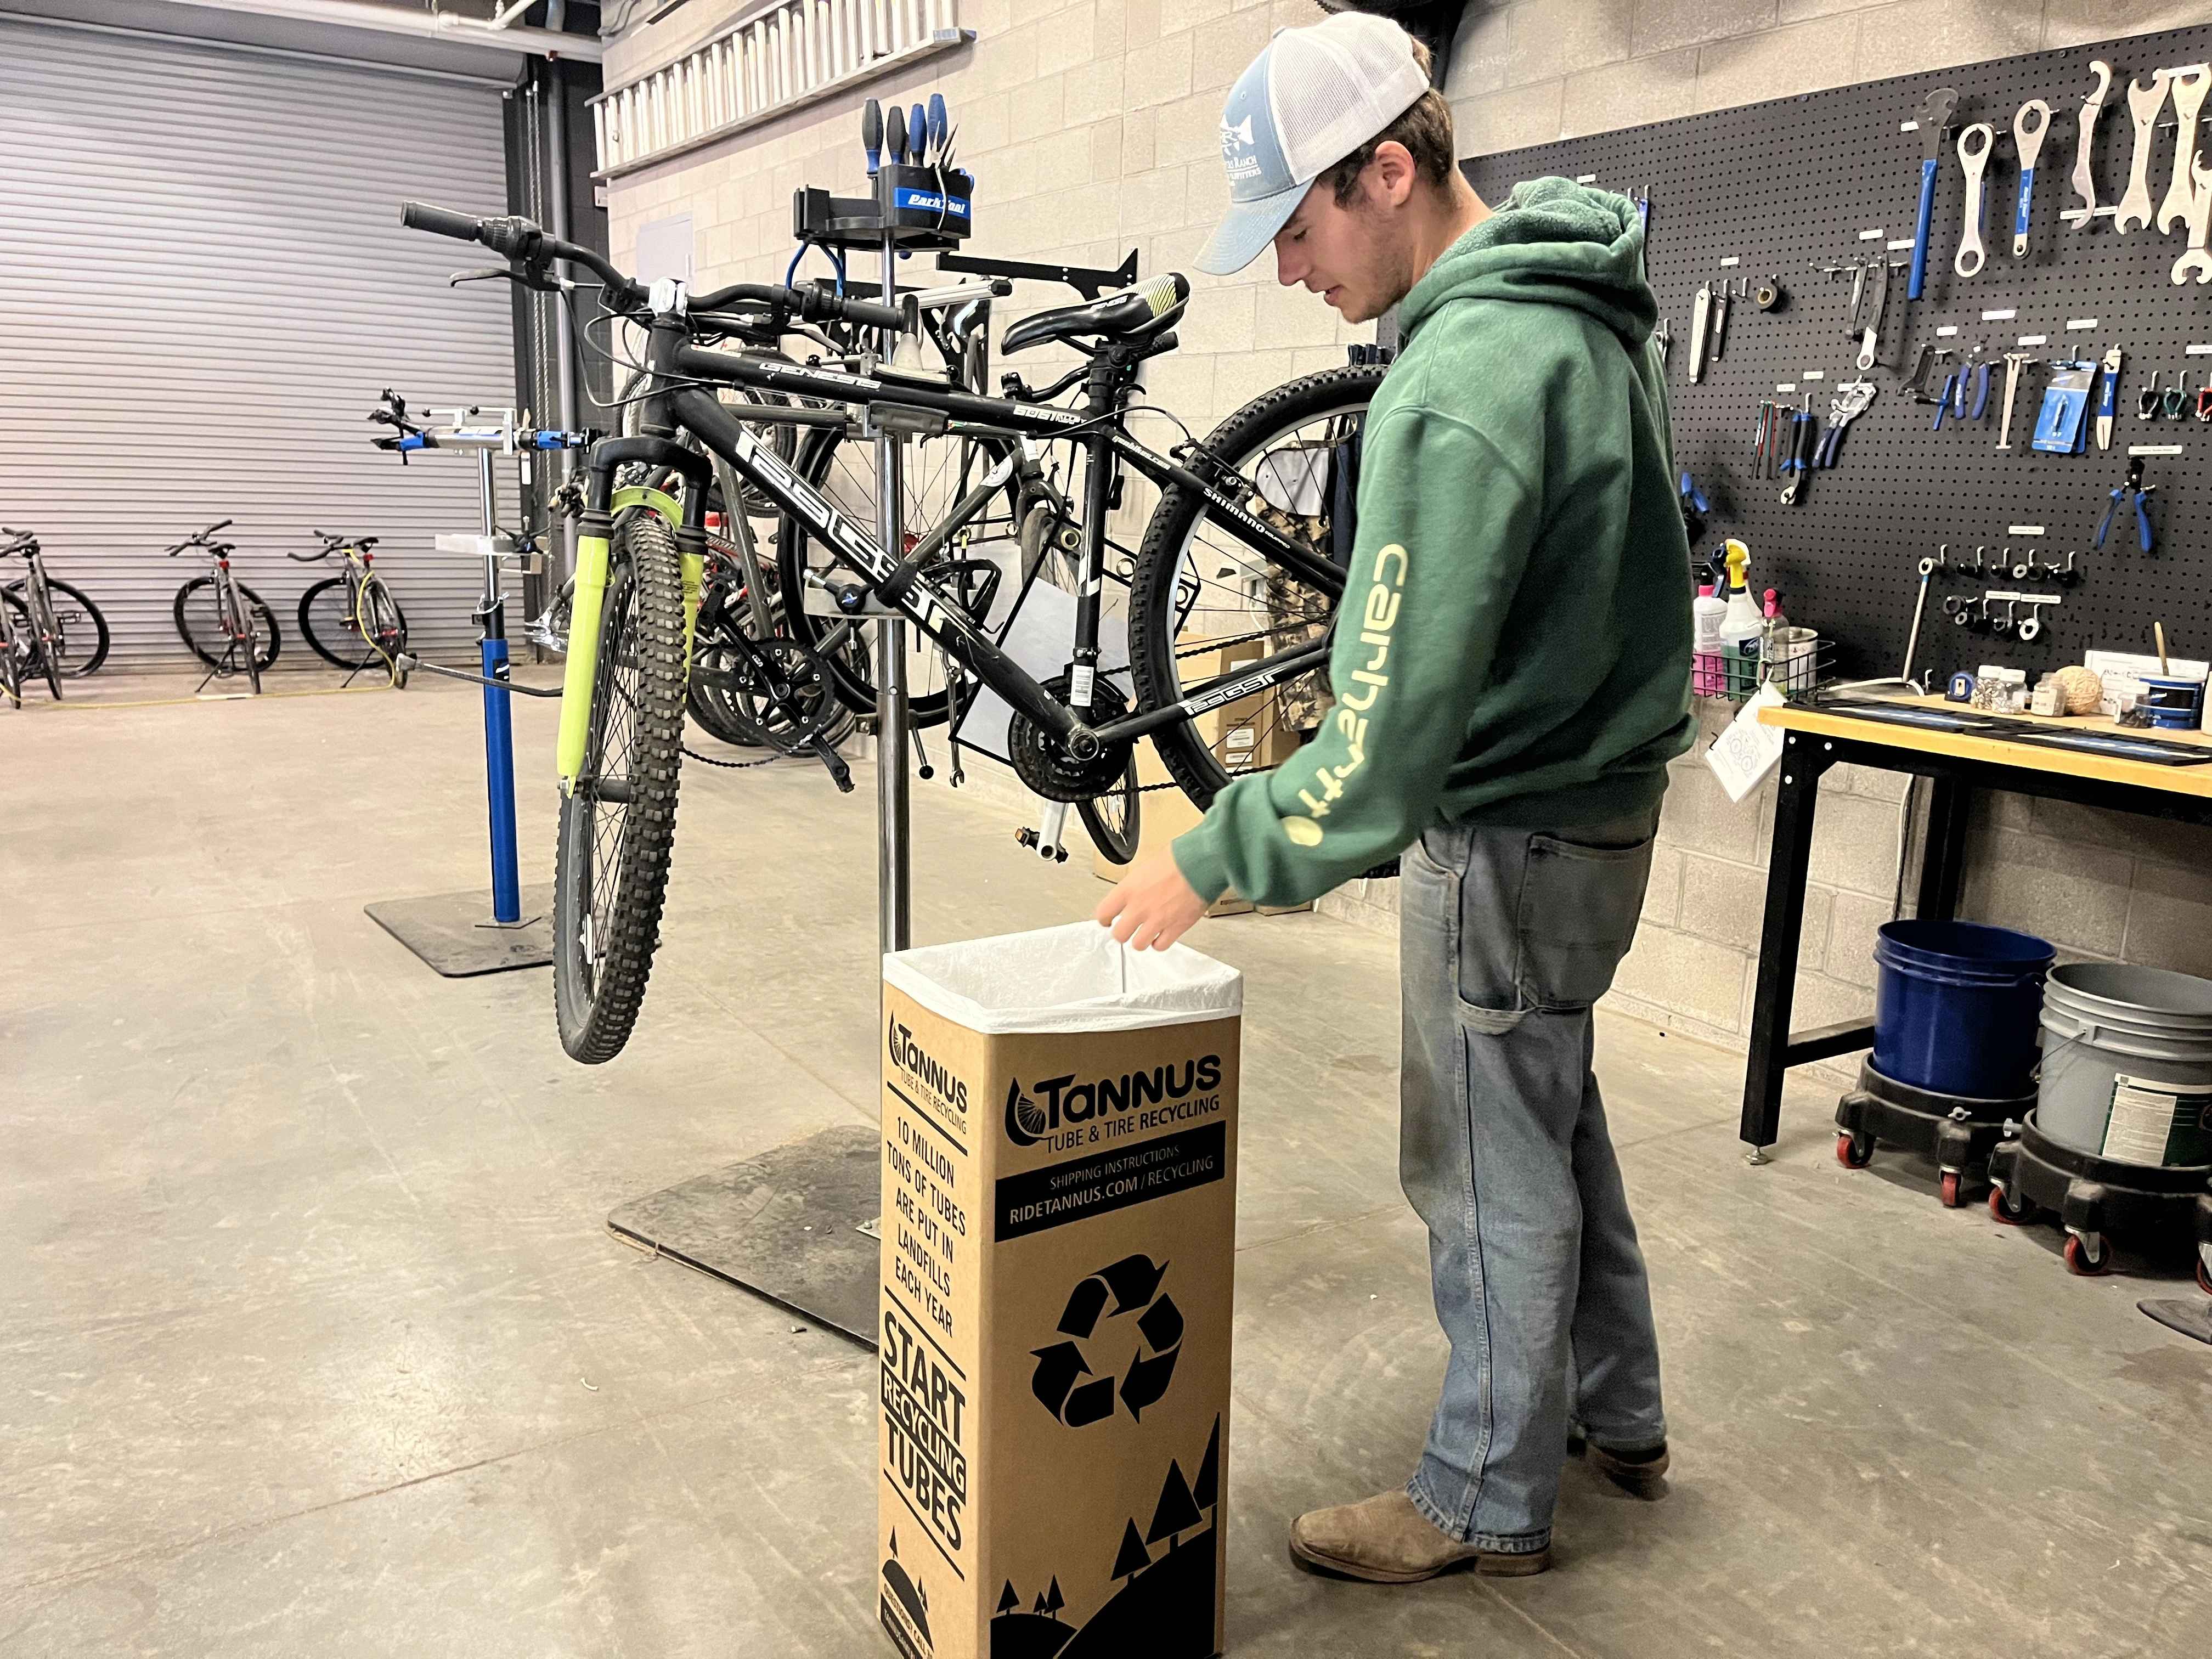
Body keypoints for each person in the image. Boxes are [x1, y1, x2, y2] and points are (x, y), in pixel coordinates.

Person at [1094, 12, 1694, 1582]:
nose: (1289, 270)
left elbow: (1380, 743)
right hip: (1596, 810)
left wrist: (1214, 853)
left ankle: (1483, 1500)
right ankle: (1617, 1416)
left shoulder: (1456, 386)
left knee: (1483, 1168)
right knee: (1551, 1125)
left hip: (1506, 827)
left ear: (1387, 170)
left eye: (1296, 228)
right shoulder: (1581, 311)